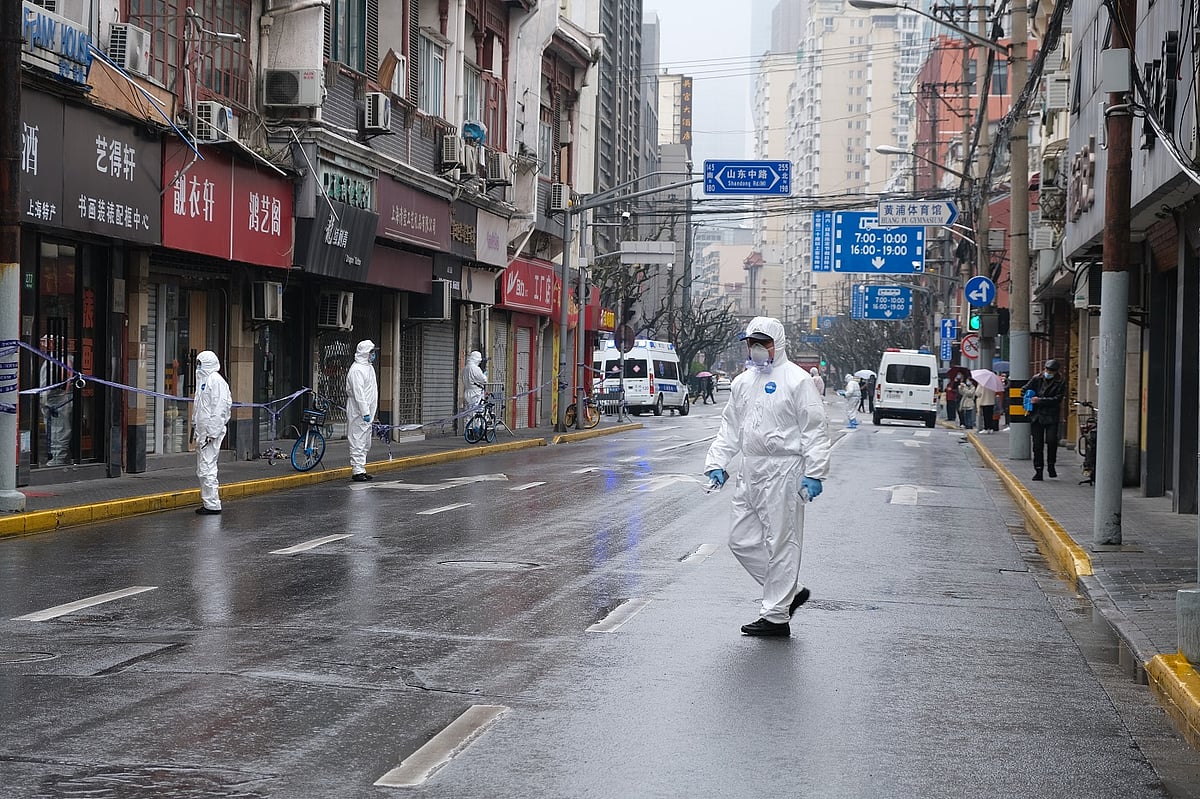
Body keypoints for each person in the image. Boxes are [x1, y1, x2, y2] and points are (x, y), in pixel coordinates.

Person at [704, 317, 832, 637]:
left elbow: (815, 430)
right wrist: (717, 461)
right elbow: (730, 427)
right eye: (752, 343)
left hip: (785, 469)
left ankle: (776, 615)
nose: (758, 348)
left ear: (779, 343)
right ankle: (791, 591)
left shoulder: (797, 380)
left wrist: (815, 472)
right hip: (751, 469)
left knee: (782, 543)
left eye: (764, 342)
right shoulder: (742, 382)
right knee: (740, 540)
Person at [192, 350, 232, 515]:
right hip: (204, 433)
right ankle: (209, 502)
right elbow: (200, 407)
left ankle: (212, 505)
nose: (198, 366)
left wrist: (212, 432)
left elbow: (220, 408)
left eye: (200, 363)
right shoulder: (204, 381)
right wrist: (196, 427)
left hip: (210, 434)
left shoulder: (216, 381)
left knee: (207, 467)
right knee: (203, 468)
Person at [1025, 358, 1066, 480]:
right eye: (1047, 369)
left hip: (1051, 416)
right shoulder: (1037, 378)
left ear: (1056, 371)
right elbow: (1024, 389)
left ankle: (1051, 465)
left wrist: (1040, 400)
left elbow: (1057, 399)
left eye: (1051, 370)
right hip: (1037, 416)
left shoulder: (1061, 381)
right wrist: (1029, 397)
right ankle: (1038, 470)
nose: (1048, 372)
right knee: (1037, 445)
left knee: (1051, 441)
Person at [345, 340, 379, 482]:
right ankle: (357, 470)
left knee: (365, 441)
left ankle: (362, 468)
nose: (373, 355)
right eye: (372, 352)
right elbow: (359, 394)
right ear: (366, 353)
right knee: (357, 439)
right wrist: (365, 412)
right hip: (358, 411)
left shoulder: (368, 367)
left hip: (367, 411)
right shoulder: (357, 370)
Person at [38, 334, 73, 467]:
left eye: (45, 342)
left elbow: (49, 384)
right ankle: (58, 457)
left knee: (58, 430)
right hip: (59, 400)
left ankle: (58, 459)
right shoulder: (61, 359)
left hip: (58, 401)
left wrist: (44, 399)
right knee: (58, 429)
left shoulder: (55, 360)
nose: (42, 345)